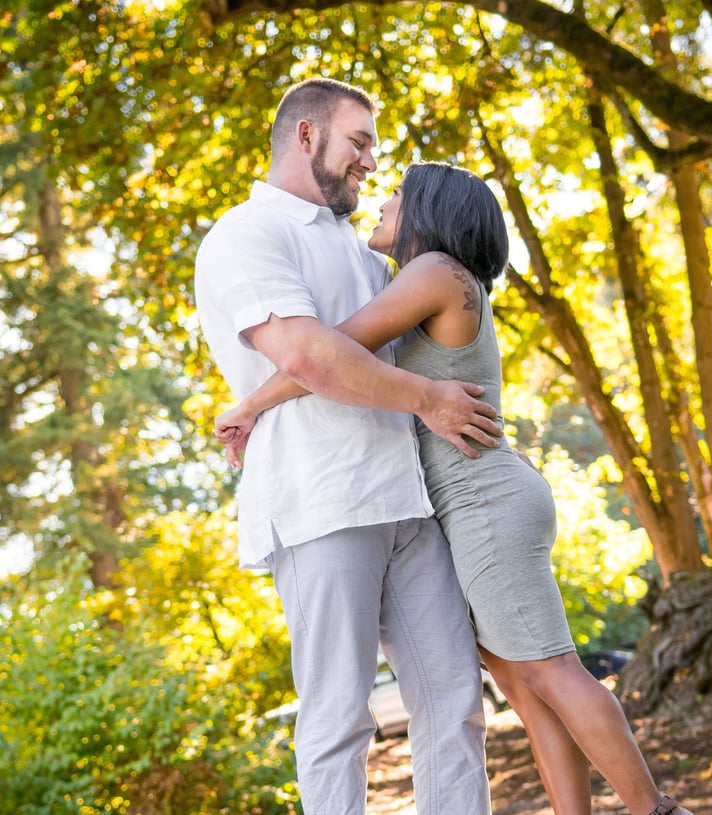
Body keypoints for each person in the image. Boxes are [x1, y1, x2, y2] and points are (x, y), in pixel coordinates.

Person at [215, 161, 696, 815]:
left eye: (397, 192)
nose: (383, 199)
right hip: (472, 500)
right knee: (524, 687)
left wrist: (253, 403)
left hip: (482, 502)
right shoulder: (435, 279)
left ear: (428, 209)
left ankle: (655, 809)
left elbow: (336, 349)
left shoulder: (436, 271)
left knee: (552, 669)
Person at [195, 79, 499, 815]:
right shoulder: (245, 235)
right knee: (338, 718)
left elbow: (383, 345)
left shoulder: (364, 249)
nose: (370, 161)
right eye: (359, 141)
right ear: (306, 137)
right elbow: (307, 354)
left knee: (455, 700)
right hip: (321, 502)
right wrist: (430, 400)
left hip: (409, 500)